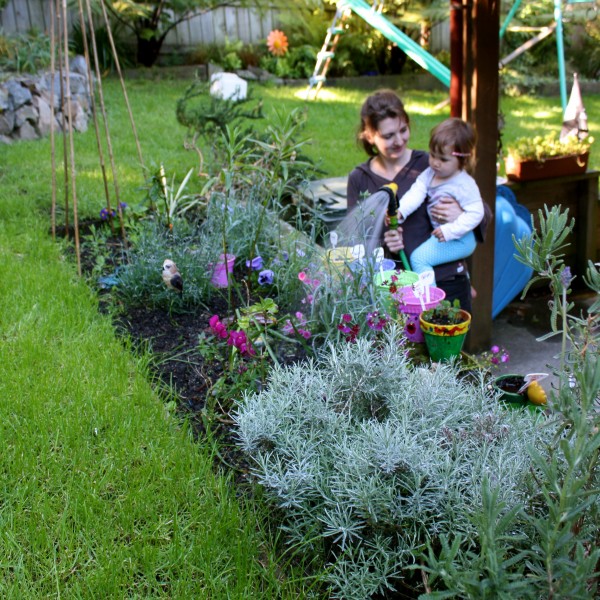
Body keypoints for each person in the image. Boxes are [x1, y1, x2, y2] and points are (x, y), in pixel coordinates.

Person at [347, 89, 487, 312]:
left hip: (448, 280)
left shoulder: (431, 162)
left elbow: (482, 212)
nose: (399, 140)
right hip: (394, 289)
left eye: (403, 130)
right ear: (370, 135)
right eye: (388, 135)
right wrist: (386, 244)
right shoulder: (360, 179)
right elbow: (356, 241)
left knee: (448, 346)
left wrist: (459, 214)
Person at [395, 117, 484, 285]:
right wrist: (401, 211)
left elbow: (477, 212)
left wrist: (451, 230)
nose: (435, 163)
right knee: (421, 255)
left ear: (462, 160)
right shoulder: (430, 174)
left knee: (419, 258)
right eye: (433, 155)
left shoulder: (464, 184)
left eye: (443, 159)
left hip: (460, 238)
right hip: (445, 235)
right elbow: (416, 192)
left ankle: (430, 304)